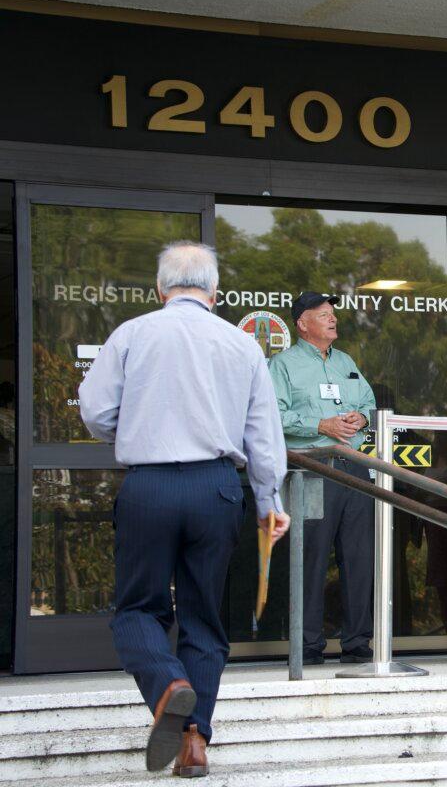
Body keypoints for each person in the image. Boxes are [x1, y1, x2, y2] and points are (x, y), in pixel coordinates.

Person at [79, 242, 289, 777]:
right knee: (204, 618)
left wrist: (136, 425)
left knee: (137, 610)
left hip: (148, 486)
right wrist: (268, 501)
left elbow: (97, 413)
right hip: (216, 487)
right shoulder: (240, 346)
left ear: (160, 289)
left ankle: (167, 685)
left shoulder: (131, 334)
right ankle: (195, 742)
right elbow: (263, 436)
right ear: (215, 294)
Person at [268, 291, 378, 666]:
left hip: (354, 466)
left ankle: (358, 642)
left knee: (360, 556)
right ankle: (308, 645)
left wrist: (360, 419)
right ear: (303, 323)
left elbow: (368, 403)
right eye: (324, 314)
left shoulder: (346, 361)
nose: (333, 320)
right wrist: (320, 423)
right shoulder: (282, 366)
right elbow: (273, 417)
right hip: (312, 468)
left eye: (333, 314)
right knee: (310, 556)